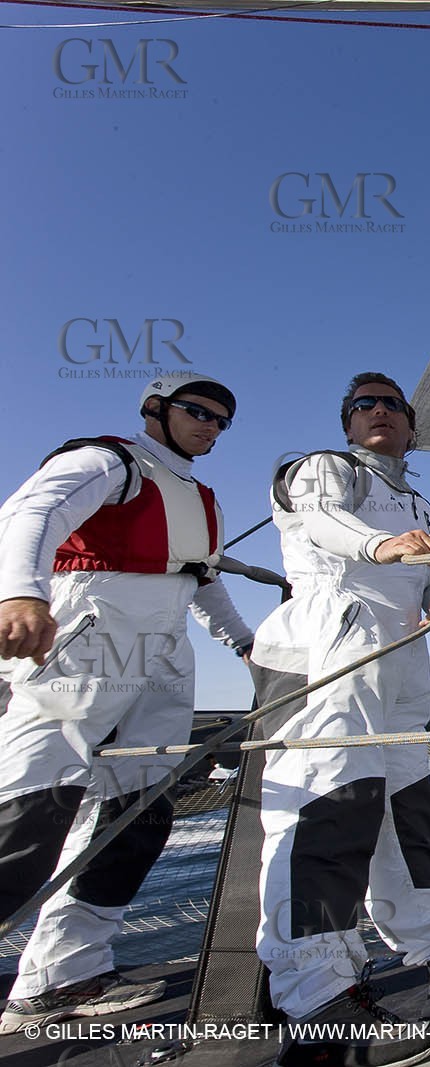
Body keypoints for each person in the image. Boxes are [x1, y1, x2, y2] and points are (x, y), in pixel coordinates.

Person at [249, 373, 430, 1067]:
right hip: (324, 648)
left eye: (391, 403)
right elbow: (330, 525)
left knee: (402, 810)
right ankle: (314, 998)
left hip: (398, 655)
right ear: (346, 422)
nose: (378, 411)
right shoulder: (322, 470)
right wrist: (382, 548)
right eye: (363, 403)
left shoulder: (418, 499)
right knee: (326, 809)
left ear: (411, 424)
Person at [0, 372, 255, 1032]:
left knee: (138, 811)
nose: (210, 425)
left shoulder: (202, 498)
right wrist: (20, 594)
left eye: (221, 420)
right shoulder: (110, 459)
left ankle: (64, 972)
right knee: (31, 806)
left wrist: (248, 645)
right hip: (87, 634)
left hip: (164, 651)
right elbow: (31, 511)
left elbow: (204, 582)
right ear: (155, 410)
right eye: (197, 411)